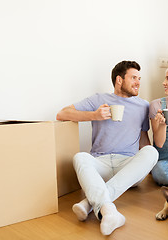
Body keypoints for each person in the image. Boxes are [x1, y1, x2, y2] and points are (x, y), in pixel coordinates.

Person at [56, 60, 158, 235]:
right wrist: (94, 115)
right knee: (80, 157)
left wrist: (147, 166)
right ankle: (109, 211)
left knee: (151, 152)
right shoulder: (99, 100)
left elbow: (143, 139)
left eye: (139, 78)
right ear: (119, 80)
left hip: (127, 165)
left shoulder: (143, 106)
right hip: (100, 163)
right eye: (133, 77)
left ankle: (90, 203)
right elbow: (62, 114)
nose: (138, 82)